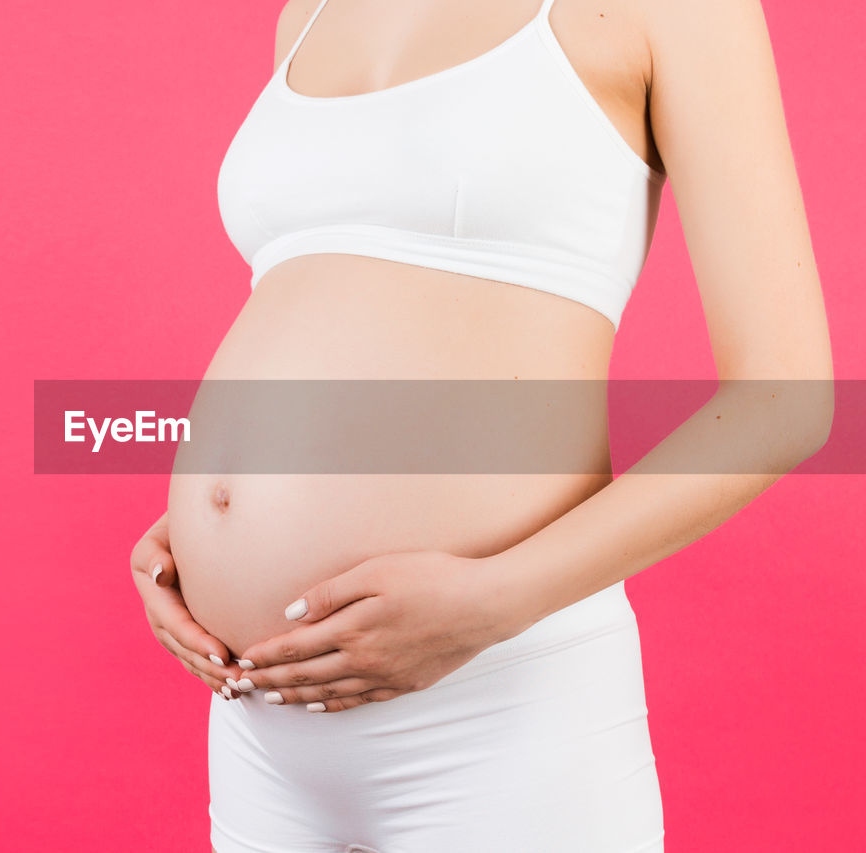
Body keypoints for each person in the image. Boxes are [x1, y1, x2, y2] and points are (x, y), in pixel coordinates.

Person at [129, 0, 833, 850]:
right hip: (259, 727)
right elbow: (322, 307)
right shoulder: (309, 16)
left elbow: (787, 398)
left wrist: (494, 602)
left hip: (501, 705)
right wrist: (198, 535)